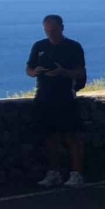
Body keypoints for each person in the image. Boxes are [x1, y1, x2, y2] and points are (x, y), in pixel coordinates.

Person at [27, 14, 87, 188]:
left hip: (65, 96)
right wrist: (35, 71)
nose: (50, 33)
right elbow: (28, 68)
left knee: (71, 136)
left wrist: (63, 72)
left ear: (62, 27)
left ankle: (77, 174)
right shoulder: (39, 46)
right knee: (50, 137)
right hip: (44, 96)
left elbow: (81, 73)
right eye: (47, 30)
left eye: (53, 29)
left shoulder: (73, 47)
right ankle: (54, 173)